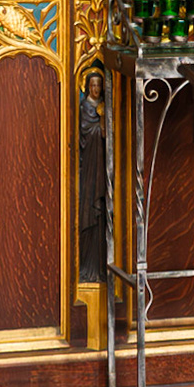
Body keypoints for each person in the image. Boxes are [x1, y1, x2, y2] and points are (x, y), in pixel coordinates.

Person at [78, 65, 107, 283]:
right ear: (87, 87)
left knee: (103, 214)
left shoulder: (104, 107)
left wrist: (104, 121)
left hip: (102, 165)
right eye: (93, 85)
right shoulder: (85, 107)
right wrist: (99, 127)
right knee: (90, 210)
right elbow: (86, 132)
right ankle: (86, 267)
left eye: (99, 85)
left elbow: (107, 133)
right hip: (89, 166)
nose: (96, 89)